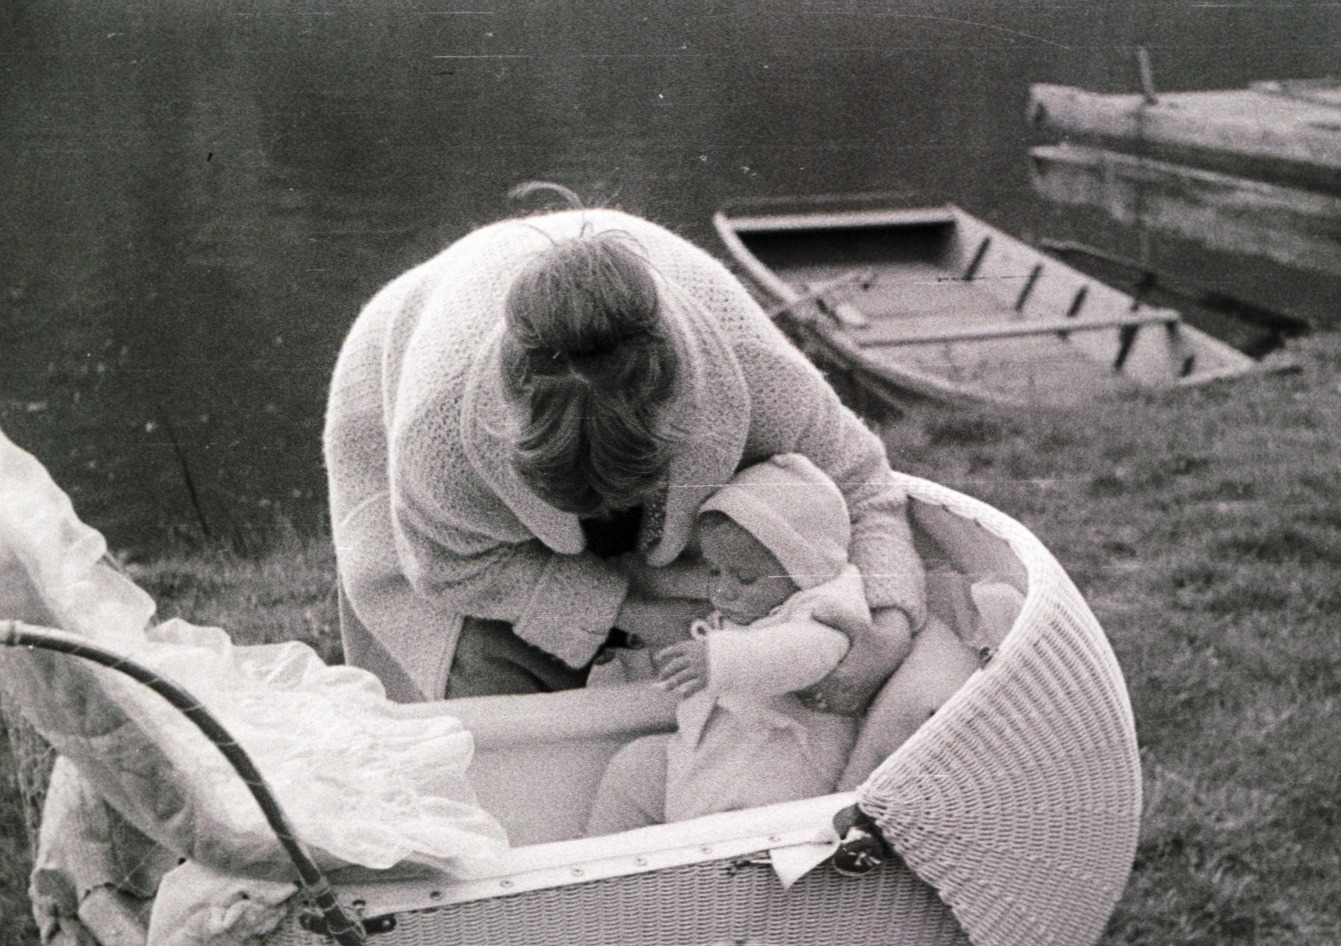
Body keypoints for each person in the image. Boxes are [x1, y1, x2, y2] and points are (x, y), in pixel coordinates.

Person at [322, 196, 925, 714]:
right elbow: (451, 569)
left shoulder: (748, 365)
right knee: (479, 689)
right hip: (409, 341)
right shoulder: (439, 429)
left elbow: (864, 486)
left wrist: (889, 633)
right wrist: (633, 612)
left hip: (659, 310)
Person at [585, 454, 867, 833]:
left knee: (718, 827)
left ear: (804, 567)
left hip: (775, 783)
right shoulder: (752, 609)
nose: (722, 589)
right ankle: (601, 857)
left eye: (745, 578)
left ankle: (679, 868)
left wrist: (721, 658)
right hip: (701, 761)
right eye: (714, 570)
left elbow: (806, 653)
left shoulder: (822, 606)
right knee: (635, 766)